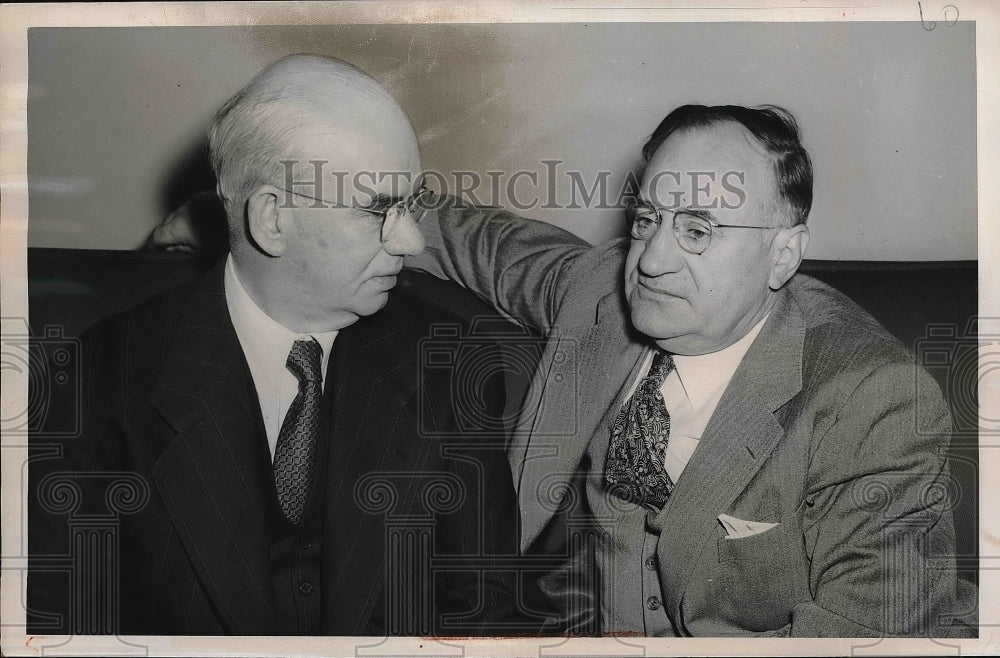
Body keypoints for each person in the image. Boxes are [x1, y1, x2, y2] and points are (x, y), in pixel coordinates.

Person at [146, 100, 975, 635]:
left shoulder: (873, 398)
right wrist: (224, 219)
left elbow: (873, 637)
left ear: (784, 252)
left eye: (698, 229)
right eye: (648, 216)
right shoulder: (602, 295)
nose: (650, 260)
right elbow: (474, 235)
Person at [28, 54, 538, 636]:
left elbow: (490, 616)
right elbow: (57, 627)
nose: (412, 238)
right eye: (378, 209)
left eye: (410, 203)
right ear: (272, 218)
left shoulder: (450, 359)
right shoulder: (96, 381)